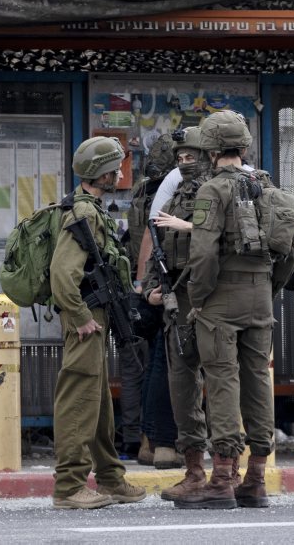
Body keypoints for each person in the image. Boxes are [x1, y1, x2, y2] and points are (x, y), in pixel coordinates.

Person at [175, 110, 275, 510]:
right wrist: (269, 286)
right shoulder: (266, 186)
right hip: (261, 296)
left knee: (221, 382)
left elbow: (202, 254)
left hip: (220, 299)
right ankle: (256, 478)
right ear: (245, 147)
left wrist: (199, 298)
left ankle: (221, 478)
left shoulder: (212, 190)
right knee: (258, 382)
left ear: (211, 149)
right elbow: (291, 250)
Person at [49, 135, 146, 510]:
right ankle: (69, 486)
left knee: (99, 401)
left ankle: (110, 478)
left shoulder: (92, 209)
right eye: (114, 167)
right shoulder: (85, 213)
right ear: (100, 172)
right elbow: (62, 273)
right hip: (86, 318)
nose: (120, 172)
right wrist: (81, 316)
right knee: (79, 399)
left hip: (96, 316)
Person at [145, 126, 216, 501]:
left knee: (220, 385)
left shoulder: (224, 189)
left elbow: (233, 238)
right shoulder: (175, 196)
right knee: (182, 384)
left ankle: (227, 471)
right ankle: (193, 471)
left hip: (216, 302)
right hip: (179, 301)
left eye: (192, 156)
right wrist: (151, 288)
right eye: (181, 158)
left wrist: (189, 226)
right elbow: (157, 242)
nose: (185, 163)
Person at [121, 134, 177, 465]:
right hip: (157, 288)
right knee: (163, 367)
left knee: (137, 369)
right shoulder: (171, 194)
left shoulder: (141, 193)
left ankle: (137, 439)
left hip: (139, 287)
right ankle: (155, 439)